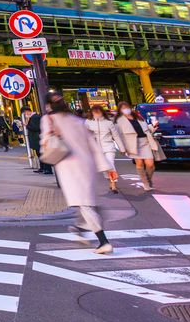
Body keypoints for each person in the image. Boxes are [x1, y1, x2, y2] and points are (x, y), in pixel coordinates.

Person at [42, 95, 112, 254]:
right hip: (88, 164)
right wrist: (104, 165)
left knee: (84, 203)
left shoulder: (49, 120)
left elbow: (45, 141)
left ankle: (103, 241)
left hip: (68, 165)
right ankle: (79, 227)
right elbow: (92, 143)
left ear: (48, 106)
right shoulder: (77, 120)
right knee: (86, 201)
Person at [115, 101, 160, 192]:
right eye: (123, 108)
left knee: (150, 164)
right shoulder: (119, 121)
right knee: (139, 164)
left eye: (127, 107)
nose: (126, 110)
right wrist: (122, 147)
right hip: (132, 144)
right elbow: (118, 135)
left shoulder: (138, 117)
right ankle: (145, 183)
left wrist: (153, 126)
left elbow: (146, 129)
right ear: (120, 110)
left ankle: (148, 179)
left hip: (145, 142)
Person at [85, 105, 125, 194]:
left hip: (108, 147)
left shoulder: (108, 122)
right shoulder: (88, 122)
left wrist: (121, 148)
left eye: (98, 112)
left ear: (102, 112)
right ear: (91, 112)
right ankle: (110, 181)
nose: (97, 114)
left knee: (110, 164)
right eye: (95, 112)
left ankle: (114, 184)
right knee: (104, 167)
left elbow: (116, 136)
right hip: (96, 149)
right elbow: (85, 135)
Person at [24, 106, 51, 174]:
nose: (25, 114)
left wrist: (27, 125)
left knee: (42, 153)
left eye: (25, 112)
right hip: (36, 138)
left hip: (37, 138)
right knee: (39, 153)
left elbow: (36, 128)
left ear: (27, 111)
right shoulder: (33, 117)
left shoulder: (35, 117)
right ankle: (42, 168)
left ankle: (47, 169)